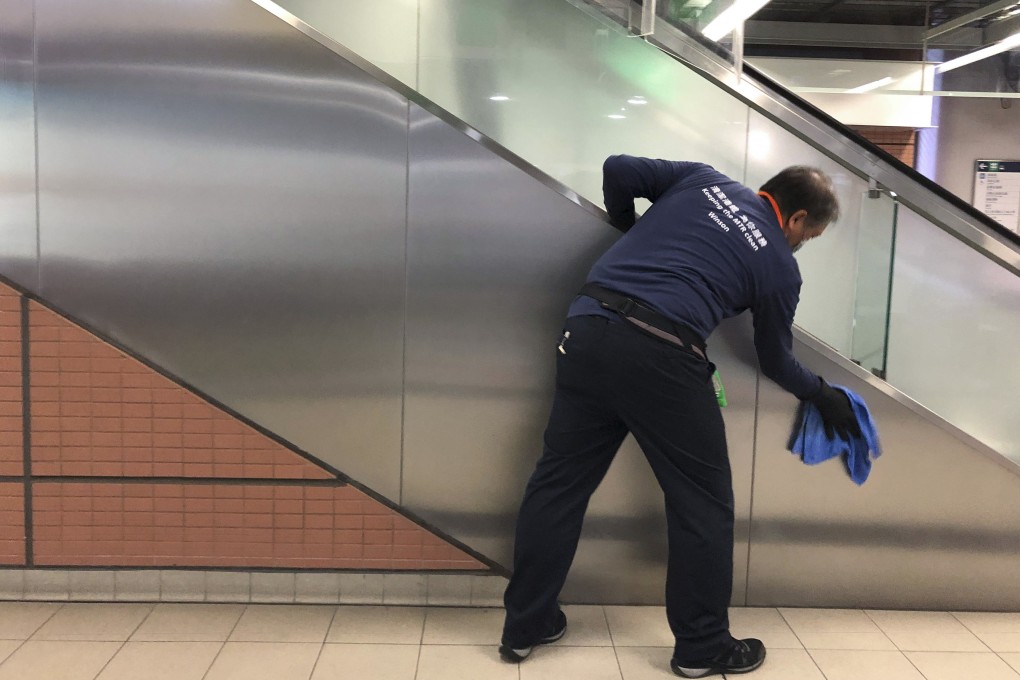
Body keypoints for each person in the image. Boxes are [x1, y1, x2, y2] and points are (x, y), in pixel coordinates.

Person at [498, 155, 861, 678]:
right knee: (703, 505)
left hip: (586, 328)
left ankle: (525, 625)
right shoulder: (781, 268)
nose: (803, 244)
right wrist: (822, 394)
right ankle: (702, 647)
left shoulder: (703, 180)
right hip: (662, 356)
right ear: (798, 219)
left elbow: (618, 168)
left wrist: (625, 226)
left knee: (558, 483)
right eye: (811, 234)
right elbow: (775, 358)